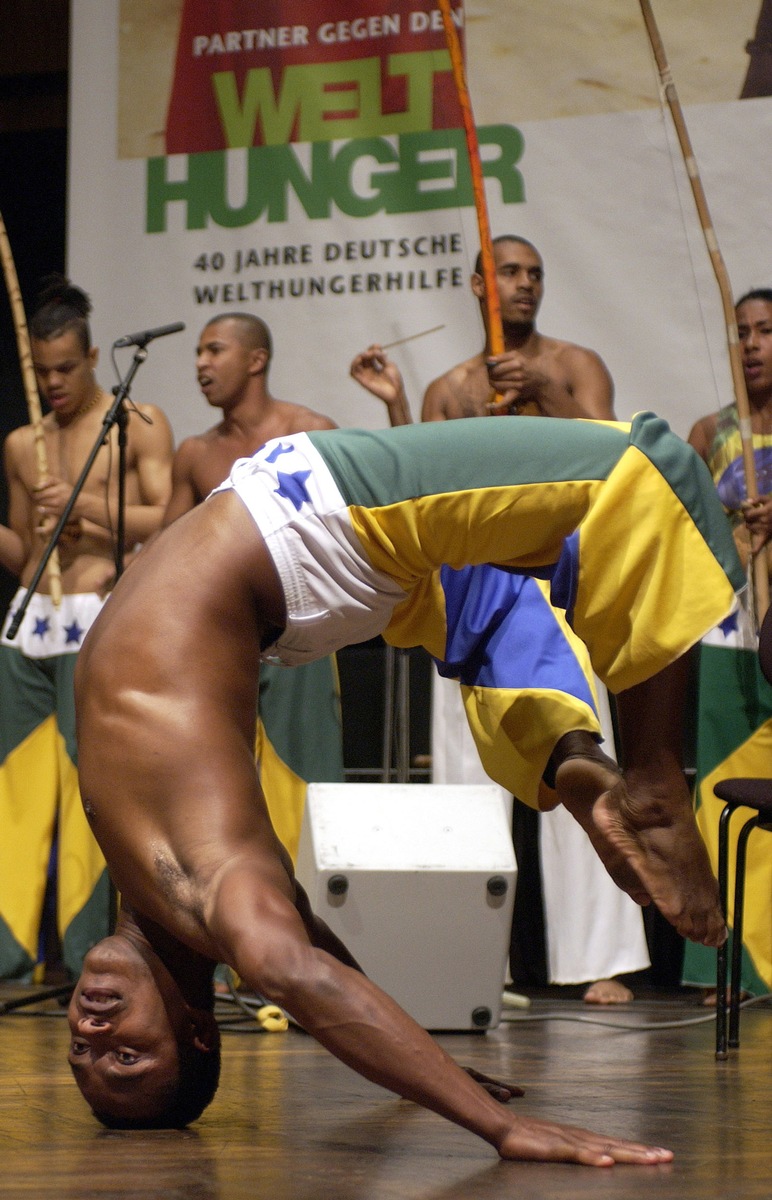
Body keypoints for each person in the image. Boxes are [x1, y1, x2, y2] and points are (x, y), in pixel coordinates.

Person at [69, 411, 741, 1162]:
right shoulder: (221, 902)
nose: (90, 1033)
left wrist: (426, 1066)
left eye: (80, 1057)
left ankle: (565, 753)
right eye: (125, 1057)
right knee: (645, 471)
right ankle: (650, 787)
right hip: (308, 527)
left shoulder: (171, 899)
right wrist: (499, 1128)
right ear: (196, 1030)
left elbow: (313, 958)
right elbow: (293, 971)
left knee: (486, 612)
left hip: (296, 587)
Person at [350, 235, 649, 1005]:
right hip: (478, 592)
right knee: (468, 785)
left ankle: (600, 959)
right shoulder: (451, 388)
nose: (524, 286)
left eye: (536, 274)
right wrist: (398, 406)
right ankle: (473, 961)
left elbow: (612, 459)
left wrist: (545, 390)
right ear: (478, 284)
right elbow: (422, 485)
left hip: (556, 581)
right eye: (510, 273)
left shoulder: (576, 364)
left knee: (580, 756)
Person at [0, 275, 174, 980]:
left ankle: (83, 955)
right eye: (42, 373)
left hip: (99, 615)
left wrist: (88, 515)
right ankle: (9, 953)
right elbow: (21, 547)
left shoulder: (140, 423)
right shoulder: (22, 444)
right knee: (15, 788)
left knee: (88, 790)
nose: (53, 385)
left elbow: (170, 519)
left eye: (65, 369)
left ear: (95, 355)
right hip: (31, 620)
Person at [163, 312, 343, 859]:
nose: (201, 364)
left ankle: (308, 925)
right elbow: (167, 550)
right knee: (223, 784)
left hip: (301, 629)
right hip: (223, 639)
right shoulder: (194, 453)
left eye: (214, 350)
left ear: (256, 360)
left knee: (303, 782)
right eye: (198, 352)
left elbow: (351, 529)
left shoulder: (309, 431)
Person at [682, 289, 772, 1002]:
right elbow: (680, 518)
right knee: (721, 791)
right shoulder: (712, 431)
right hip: (730, 623)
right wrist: (730, 522)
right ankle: (727, 966)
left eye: (767, 330)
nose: (753, 344)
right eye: (741, 332)